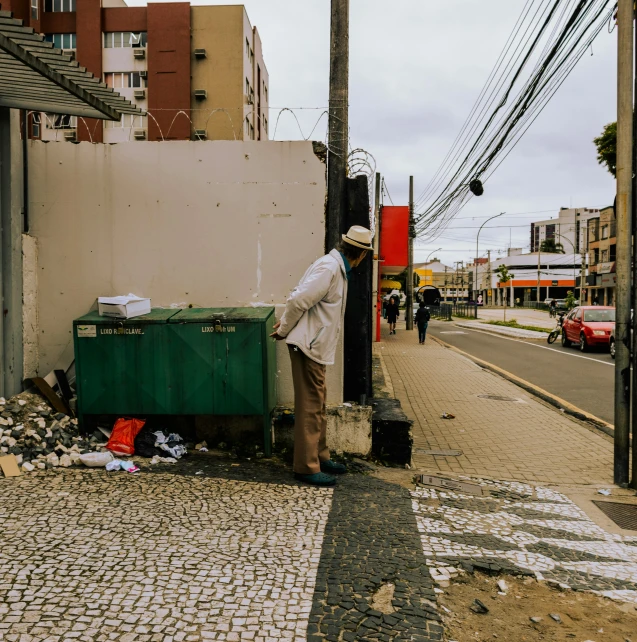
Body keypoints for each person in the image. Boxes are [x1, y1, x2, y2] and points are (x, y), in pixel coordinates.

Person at [270, 225, 373, 487]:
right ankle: (306, 466)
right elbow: (298, 300)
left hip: (315, 347)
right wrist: (283, 329)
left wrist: (285, 327)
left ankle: (320, 455)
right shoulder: (330, 268)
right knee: (310, 408)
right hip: (308, 347)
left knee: (319, 405)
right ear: (360, 255)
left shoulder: (334, 267)